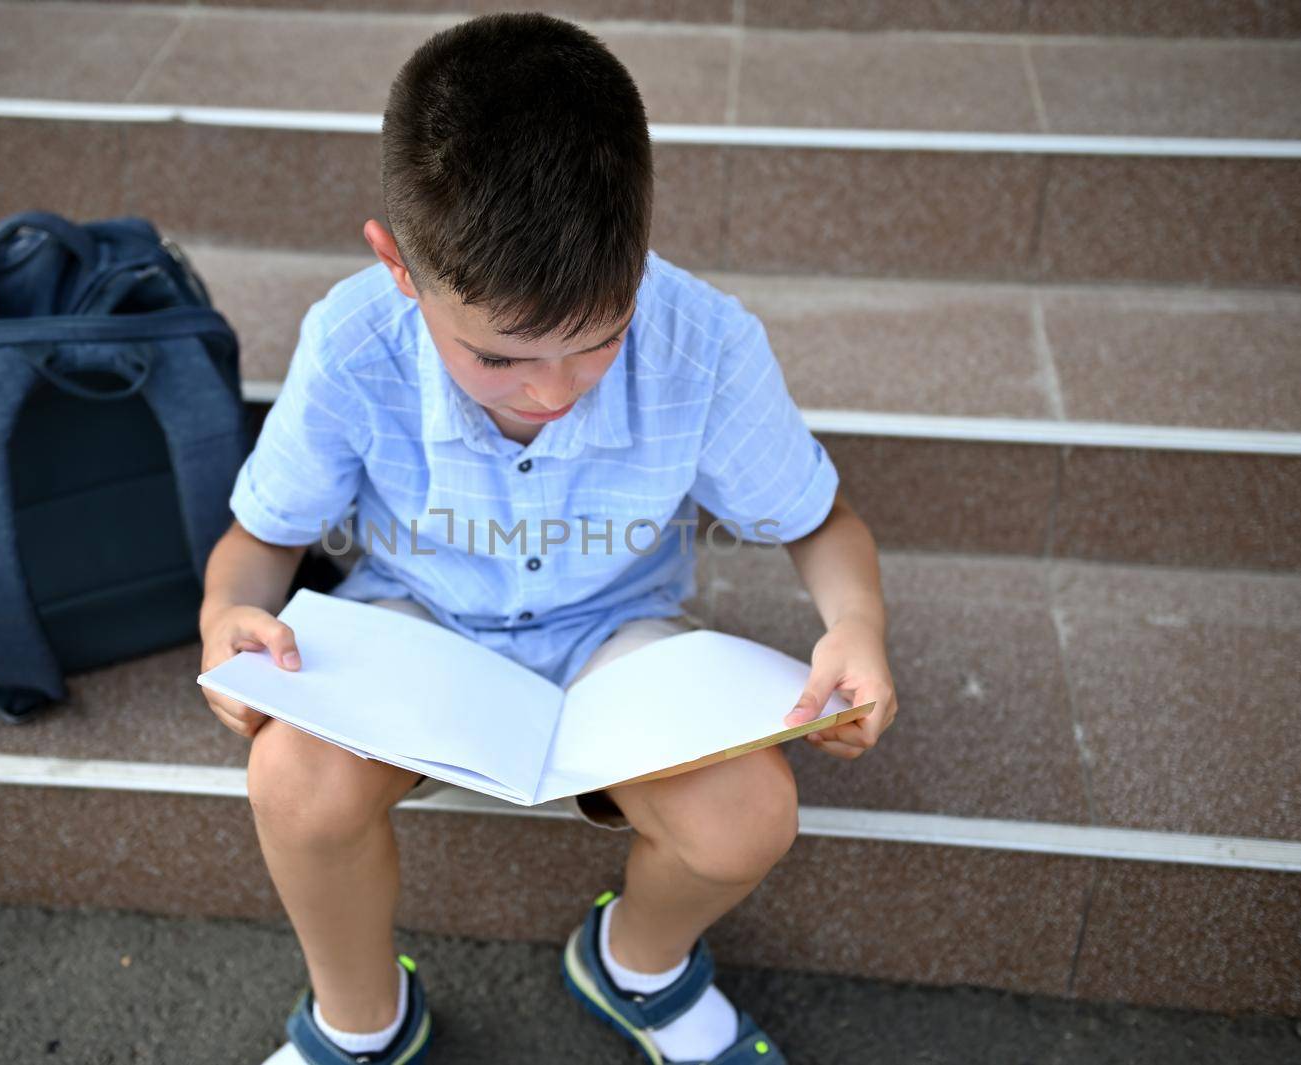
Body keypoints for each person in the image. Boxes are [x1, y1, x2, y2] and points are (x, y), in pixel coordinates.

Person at [197, 12, 898, 1064]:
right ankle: (359, 1021)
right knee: (292, 779)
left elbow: (819, 523)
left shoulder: (701, 338)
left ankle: (636, 965)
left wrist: (857, 625)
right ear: (398, 267)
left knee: (751, 810)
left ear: (639, 253)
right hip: (415, 621)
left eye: (600, 340)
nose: (554, 391)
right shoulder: (353, 338)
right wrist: (225, 621)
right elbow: (258, 542)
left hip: (614, 632)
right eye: (497, 359)